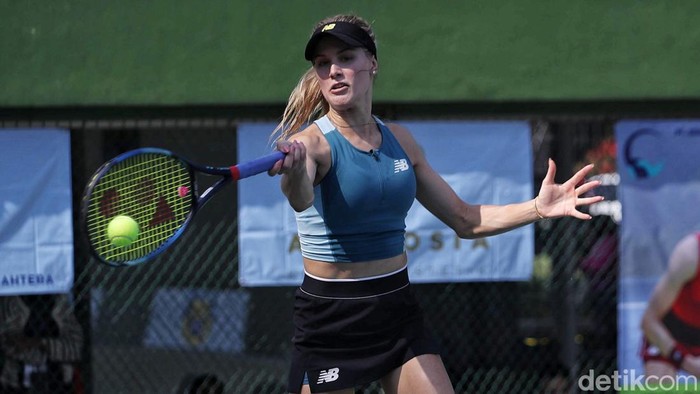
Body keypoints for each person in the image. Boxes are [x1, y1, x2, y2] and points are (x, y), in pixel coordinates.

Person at [268, 13, 603, 394]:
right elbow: (300, 199)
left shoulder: (401, 141)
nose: (334, 71)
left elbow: (465, 219)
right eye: (323, 64)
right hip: (331, 319)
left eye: (346, 58)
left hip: (396, 309)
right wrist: (294, 172)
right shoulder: (312, 144)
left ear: (372, 63)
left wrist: (538, 208)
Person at [641, 232, 700, 380]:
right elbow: (649, 322)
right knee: (660, 385)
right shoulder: (690, 254)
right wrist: (687, 363)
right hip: (669, 333)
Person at [0, 294, 84, 394]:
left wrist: (39, 343)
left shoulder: (60, 302)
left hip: (58, 380)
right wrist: (55, 350)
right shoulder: (11, 301)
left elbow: (75, 348)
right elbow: (10, 344)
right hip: (17, 382)